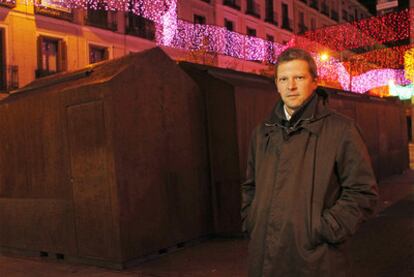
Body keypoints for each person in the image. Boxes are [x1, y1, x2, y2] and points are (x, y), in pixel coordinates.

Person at [241, 48, 378, 277]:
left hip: (316, 260)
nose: (290, 86)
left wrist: (323, 229)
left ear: (315, 82)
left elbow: (362, 192)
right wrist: (252, 219)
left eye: (299, 78)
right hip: (264, 256)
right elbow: (250, 185)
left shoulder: (341, 129)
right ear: (276, 84)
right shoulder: (262, 132)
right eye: (283, 79)